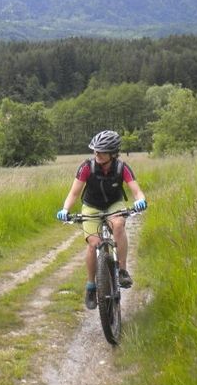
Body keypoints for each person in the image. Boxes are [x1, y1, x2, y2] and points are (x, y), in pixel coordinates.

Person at [56, 130, 147, 310]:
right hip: (91, 206)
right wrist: (65, 209)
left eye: (101, 151)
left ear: (112, 153)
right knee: (93, 244)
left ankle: (122, 270)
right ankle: (91, 286)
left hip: (114, 204)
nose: (97, 154)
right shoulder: (86, 167)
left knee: (119, 224)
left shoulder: (122, 167)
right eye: (95, 150)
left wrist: (140, 200)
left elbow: (136, 190)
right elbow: (74, 193)